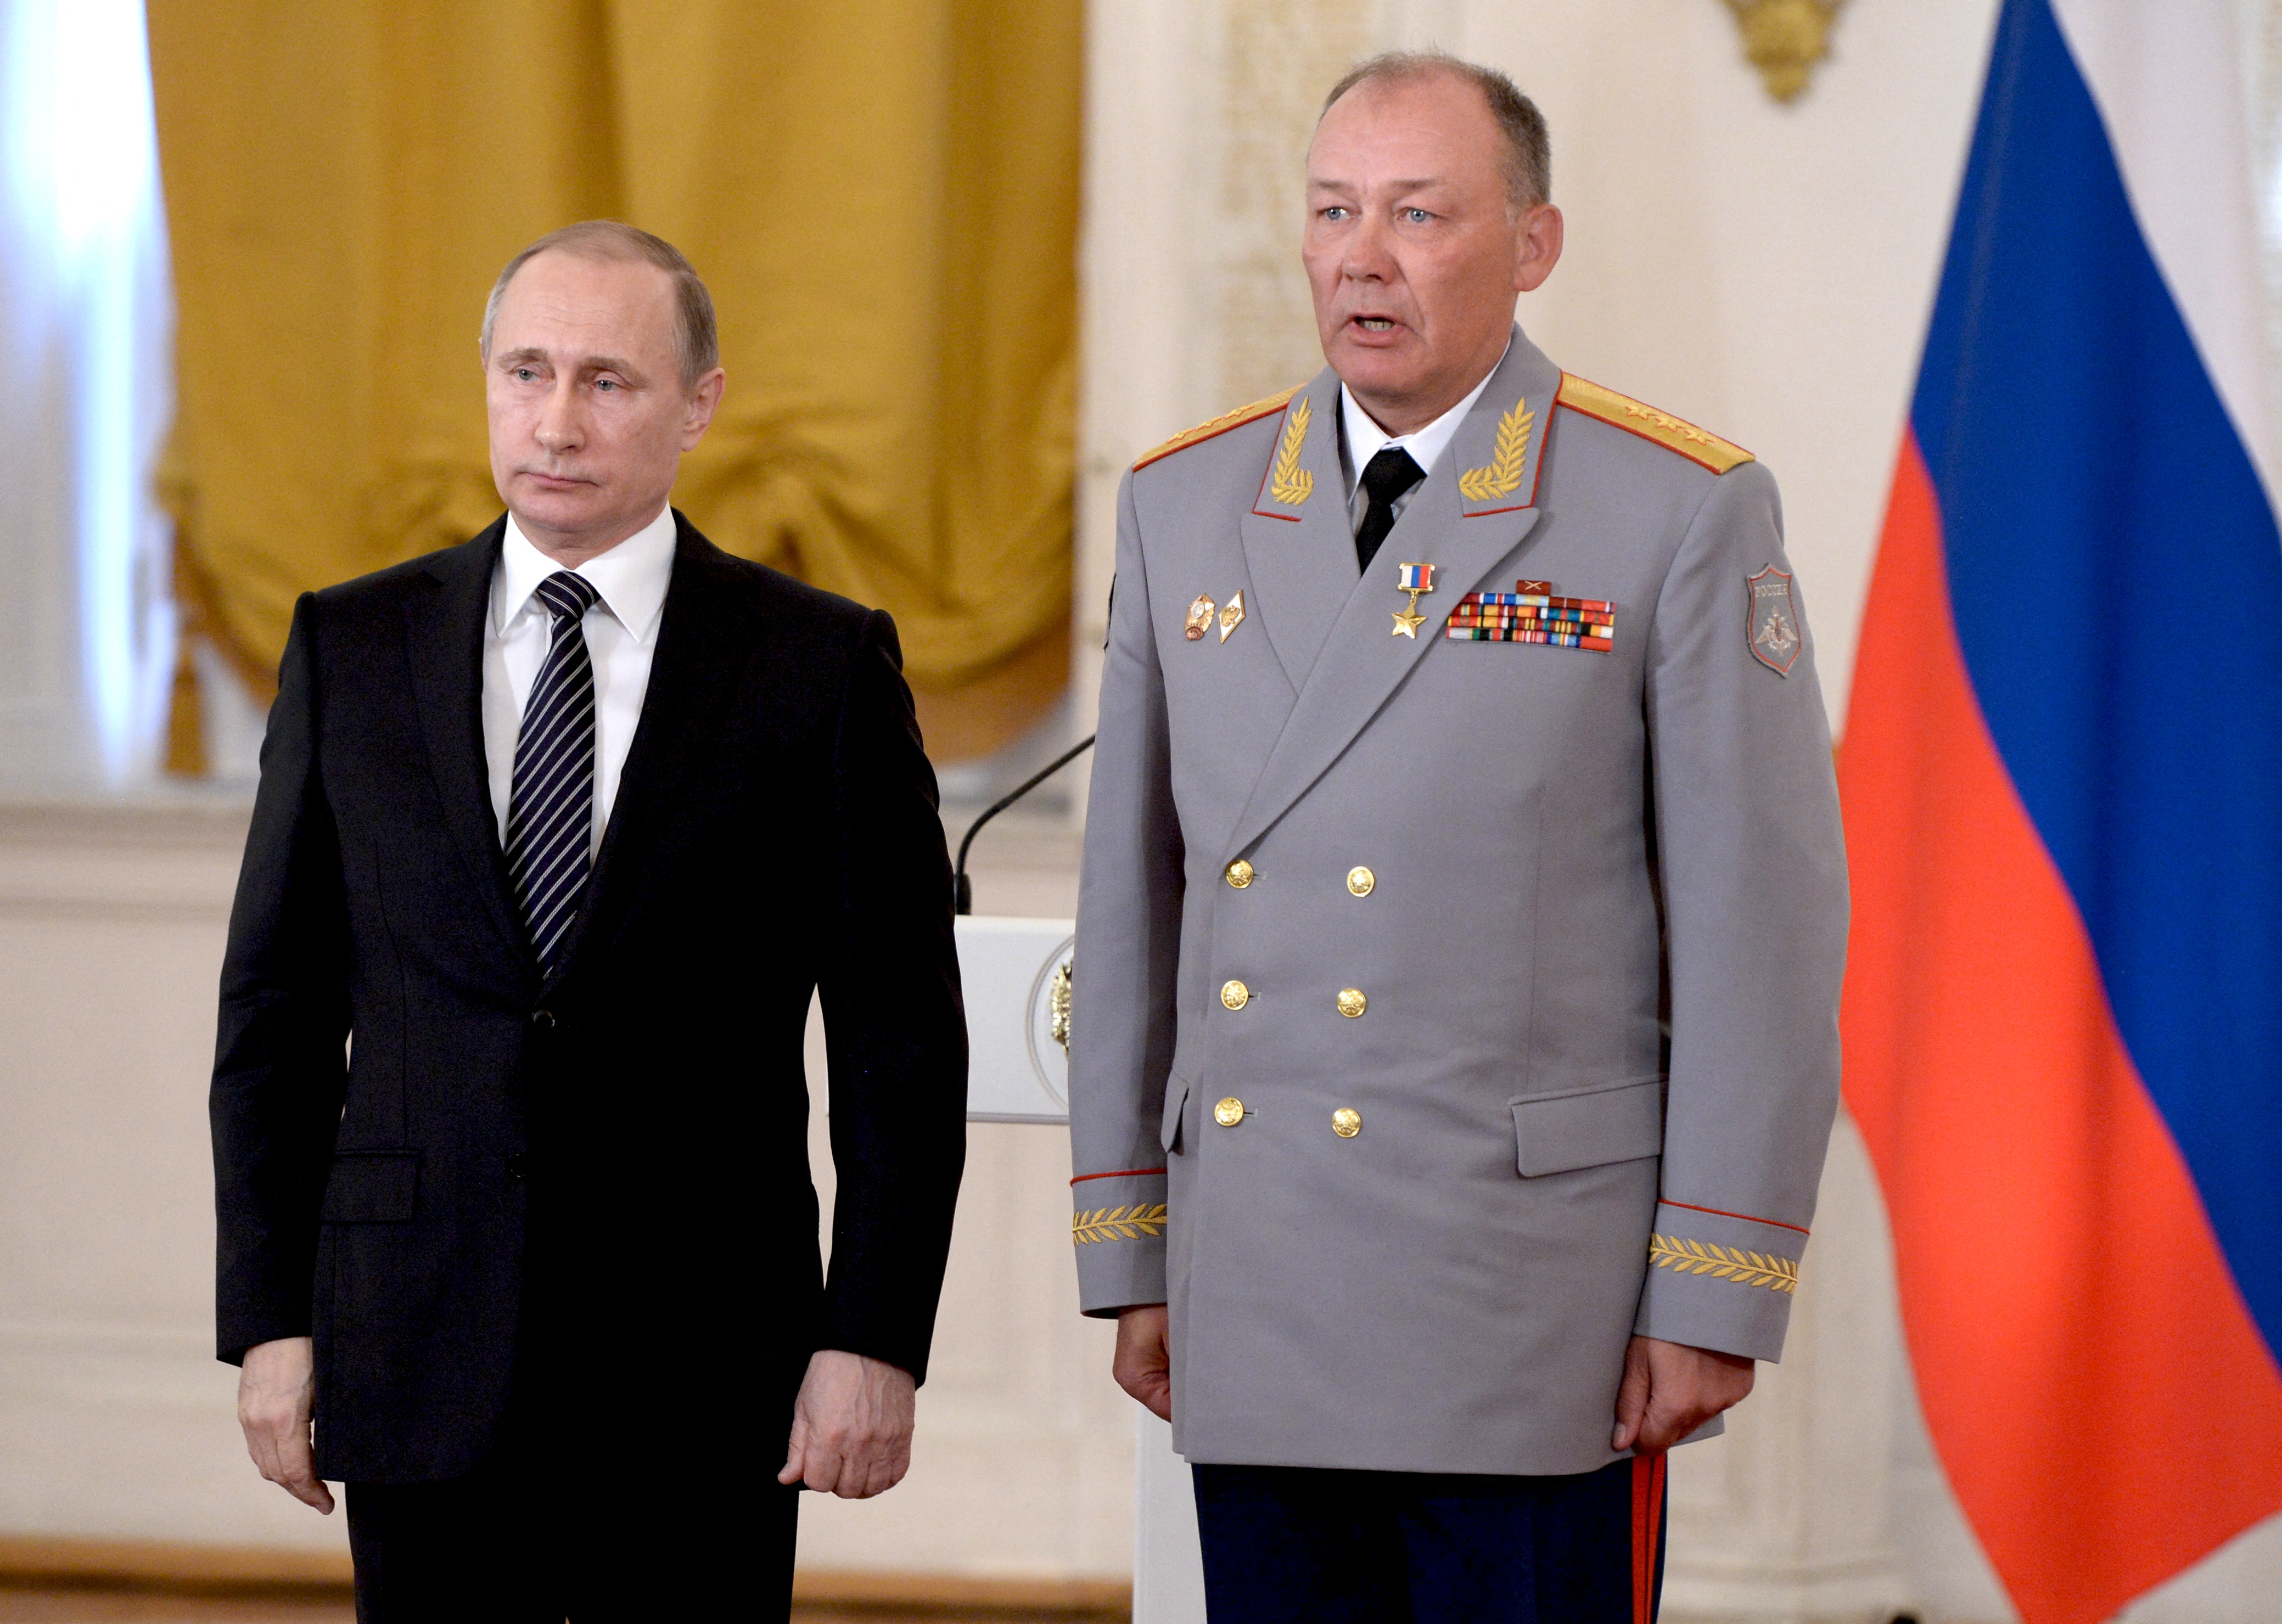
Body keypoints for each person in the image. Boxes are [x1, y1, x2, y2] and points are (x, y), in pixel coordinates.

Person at [1068, 51, 1846, 1622]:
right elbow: (1132, 911)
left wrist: (1710, 1287)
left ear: (1531, 245)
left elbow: (1756, 938)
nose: (1360, 255)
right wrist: (1133, 1251)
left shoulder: (1670, 509)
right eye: (1333, 212)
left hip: (1529, 1307)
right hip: (1263, 1290)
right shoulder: (1181, 507)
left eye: (1417, 214)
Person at [212, 220, 967, 1621]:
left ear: (699, 405)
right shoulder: (351, 646)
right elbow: (277, 1014)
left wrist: (873, 1337)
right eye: (527, 372)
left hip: (707, 1363)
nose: (556, 421)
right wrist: (267, 1314)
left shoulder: (819, 664)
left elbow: (899, 1043)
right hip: (413, 1341)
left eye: (609, 382)